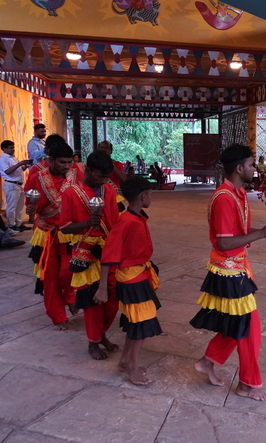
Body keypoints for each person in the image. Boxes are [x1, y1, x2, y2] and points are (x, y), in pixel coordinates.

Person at [191, 144, 266, 401]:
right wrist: (262, 233)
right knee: (249, 326)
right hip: (227, 270)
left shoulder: (238, 193)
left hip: (238, 266)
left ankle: (208, 361)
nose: (255, 168)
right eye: (252, 164)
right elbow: (223, 243)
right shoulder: (224, 198)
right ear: (239, 168)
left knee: (239, 323)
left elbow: (238, 231)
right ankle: (247, 384)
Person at [59, 151, 120, 360]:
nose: (103, 181)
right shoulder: (70, 193)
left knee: (113, 297)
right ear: (87, 170)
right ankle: (93, 342)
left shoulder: (108, 189)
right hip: (85, 252)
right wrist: (87, 223)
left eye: (106, 177)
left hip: (108, 250)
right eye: (100, 176)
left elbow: (114, 220)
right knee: (92, 301)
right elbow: (64, 227)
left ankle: (102, 334)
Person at [101, 176, 161, 385]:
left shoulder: (137, 217)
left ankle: (125, 361)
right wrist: (102, 287)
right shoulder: (126, 221)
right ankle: (132, 368)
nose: (151, 198)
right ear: (143, 196)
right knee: (140, 325)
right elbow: (108, 254)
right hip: (131, 279)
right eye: (150, 194)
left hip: (139, 275)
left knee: (136, 322)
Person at [25, 142, 77, 329]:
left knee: (69, 271)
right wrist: (30, 209)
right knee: (50, 278)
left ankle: (70, 297)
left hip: (70, 232)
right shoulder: (36, 178)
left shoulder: (76, 176)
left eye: (69, 162)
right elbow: (30, 204)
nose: (66, 166)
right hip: (46, 233)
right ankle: (58, 316)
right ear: (51, 160)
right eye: (62, 162)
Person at [0, 140, 33, 231]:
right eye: (10, 148)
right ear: (4, 149)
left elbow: (19, 170)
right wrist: (19, 164)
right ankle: (11, 225)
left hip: (19, 184)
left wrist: (26, 165)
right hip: (11, 184)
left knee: (19, 206)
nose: (13, 150)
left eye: (13, 148)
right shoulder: (3, 159)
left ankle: (18, 223)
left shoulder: (13, 158)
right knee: (12, 206)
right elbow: (7, 172)